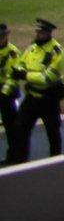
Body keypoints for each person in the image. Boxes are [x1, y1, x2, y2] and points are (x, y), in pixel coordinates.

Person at [5, 19, 64, 163]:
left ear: (48, 33)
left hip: (49, 100)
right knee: (20, 130)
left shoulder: (57, 52)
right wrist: (19, 70)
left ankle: (56, 161)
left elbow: (47, 78)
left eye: (41, 32)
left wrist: (24, 76)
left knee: (52, 132)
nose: (37, 35)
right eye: (37, 32)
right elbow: (22, 62)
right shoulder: (32, 47)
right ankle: (19, 160)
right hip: (31, 98)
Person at [0, 23, 19, 157]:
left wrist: (4, 93)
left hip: (7, 93)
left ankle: (14, 154)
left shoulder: (12, 52)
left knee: (11, 126)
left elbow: (13, 77)